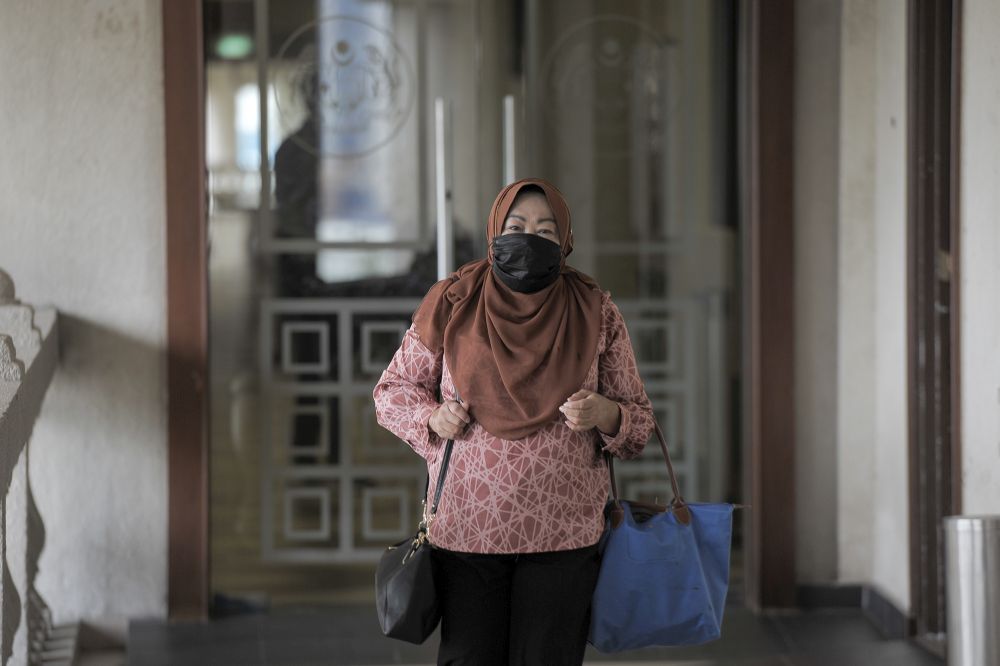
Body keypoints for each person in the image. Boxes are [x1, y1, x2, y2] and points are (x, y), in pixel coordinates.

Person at [373, 178, 654, 665]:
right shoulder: (454, 302)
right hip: (469, 527)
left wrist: (606, 414)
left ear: (565, 241)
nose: (529, 240)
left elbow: (639, 422)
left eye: (545, 231)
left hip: (564, 533)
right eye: (516, 227)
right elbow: (392, 392)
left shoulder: (595, 311)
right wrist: (432, 417)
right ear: (494, 232)